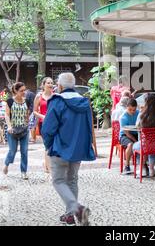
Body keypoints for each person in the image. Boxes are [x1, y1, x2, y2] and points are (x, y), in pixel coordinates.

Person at [41, 73, 95, 226]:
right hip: (77, 149)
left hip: (59, 148)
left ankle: (76, 209)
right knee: (72, 180)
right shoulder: (84, 102)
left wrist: (49, 145)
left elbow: (47, 129)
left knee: (58, 180)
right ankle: (70, 215)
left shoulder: (57, 101)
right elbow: (88, 128)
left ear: (60, 86)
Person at [133, 94, 155, 177]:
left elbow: (137, 126)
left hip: (146, 144)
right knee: (152, 146)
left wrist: (141, 112)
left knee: (136, 146)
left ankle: (142, 168)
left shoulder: (142, 115)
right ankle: (151, 169)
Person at [3, 82, 31, 180]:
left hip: (24, 130)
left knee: (24, 151)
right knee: (12, 151)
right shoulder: (9, 101)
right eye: (21, 91)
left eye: (24, 90)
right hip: (12, 131)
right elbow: (6, 115)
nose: (24, 92)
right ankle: (6, 164)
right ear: (15, 91)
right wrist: (9, 126)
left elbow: (27, 115)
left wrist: (28, 124)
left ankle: (24, 172)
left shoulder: (27, 101)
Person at [33, 77, 54, 173]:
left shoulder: (55, 96)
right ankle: (49, 168)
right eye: (48, 83)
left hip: (54, 124)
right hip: (43, 123)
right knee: (47, 145)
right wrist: (42, 116)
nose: (50, 84)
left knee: (53, 144)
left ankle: (46, 164)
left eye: (51, 83)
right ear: (44, 85)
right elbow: (34, 111)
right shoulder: (39, 96)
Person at [119, 99, 140, 175]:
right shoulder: (123, 117)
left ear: (136, 108)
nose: (132, 111)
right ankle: (127, 165)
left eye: (134, 110)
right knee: (130, 144)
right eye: (130, 109)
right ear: (126, 107)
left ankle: (142, 165)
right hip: (124, 135)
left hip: (136, 133)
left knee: (144, 143)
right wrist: (136, 141)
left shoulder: (138, 113)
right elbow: (127, 133)